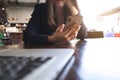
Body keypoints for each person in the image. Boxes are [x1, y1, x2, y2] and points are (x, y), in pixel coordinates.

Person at [23, 0, 87, 46]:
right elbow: (27, 37)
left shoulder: (70, 10)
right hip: (44, 51)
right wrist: (51, 39)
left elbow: (83, 35)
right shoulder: (41, 9)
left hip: (66, 51)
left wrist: (74, 11)